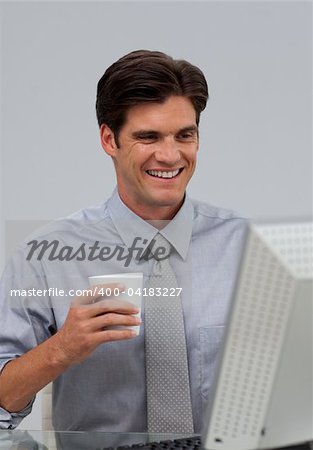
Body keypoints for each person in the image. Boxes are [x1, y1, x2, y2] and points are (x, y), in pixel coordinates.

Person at [0, 50, 247, 432]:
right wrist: (62, 349)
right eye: (148, 137)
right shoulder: (44, 256)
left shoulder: (250, 249)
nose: (170, 155)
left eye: (185, 135)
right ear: (108, 139)